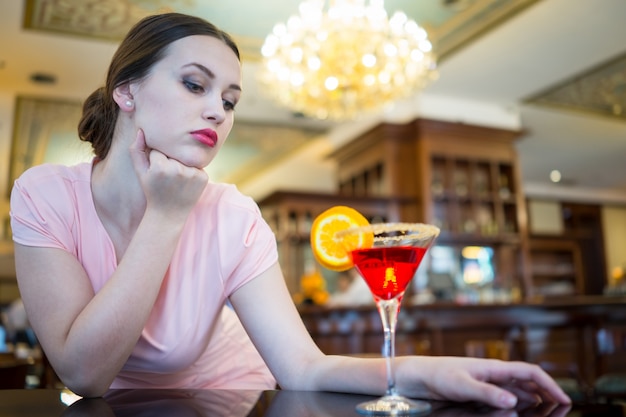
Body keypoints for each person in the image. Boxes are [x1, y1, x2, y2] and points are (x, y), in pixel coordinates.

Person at [9, 12, 571, 408]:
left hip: (236, 401)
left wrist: (428, 371)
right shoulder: (43, 195)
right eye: (194, 85)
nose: (217, 113)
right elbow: (85, 376)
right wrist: (166, 215)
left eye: (229, 101)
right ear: (125, 93)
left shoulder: (235, 216)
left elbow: (304, 366)